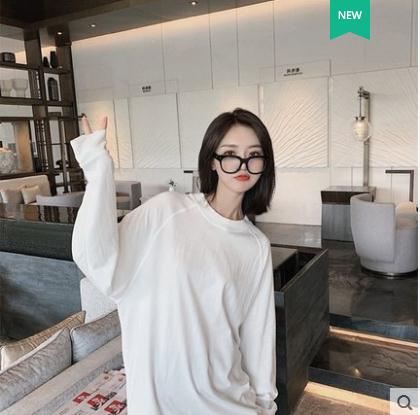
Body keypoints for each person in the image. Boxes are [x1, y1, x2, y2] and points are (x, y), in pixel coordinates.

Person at [70, 107, 278, 414]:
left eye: (254, 155)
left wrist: (265, 405)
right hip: (161, 405)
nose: (243, 165)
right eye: (230, 154)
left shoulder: (257, 246)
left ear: (264, 163)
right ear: (212, 160)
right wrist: (98, 170)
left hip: (230, 403)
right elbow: (97, 258)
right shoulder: (167, 211)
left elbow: (257, 336)